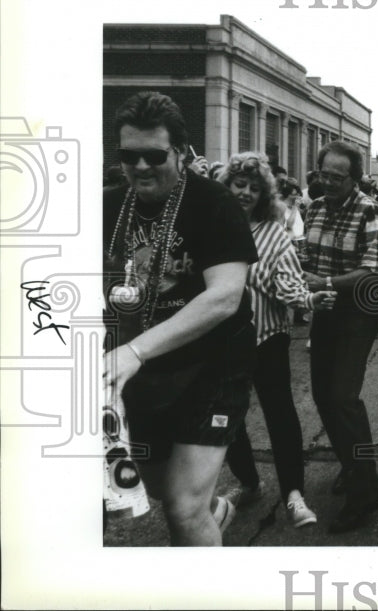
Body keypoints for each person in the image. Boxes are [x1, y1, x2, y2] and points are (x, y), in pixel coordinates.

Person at [103, 91, 258, 546]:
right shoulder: (107, 205)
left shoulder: (214, 204)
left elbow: (225, 298)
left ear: (181, 152)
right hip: (143, 371)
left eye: (154, 154)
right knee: (162, 491)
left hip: (213, 366)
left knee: (182, 511)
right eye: (129, 155)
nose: (142, 166)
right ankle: (215, 513)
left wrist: (133, 350)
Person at [217, 152, 337, 528]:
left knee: (280, 415)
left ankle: (293, 493)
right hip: (219, 343)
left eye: (254, 187)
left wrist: (308, 300)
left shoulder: (274, 234)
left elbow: (289, 285)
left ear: (265, 194)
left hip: (266, 338)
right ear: (227, 185)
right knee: (227, 419)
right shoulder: (211, 226)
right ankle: (248, 482)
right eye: (239, 184)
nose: (245, 193)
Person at [300, 140, 378, 533]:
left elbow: (372, 271)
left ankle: (366, 491)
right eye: (324, 175)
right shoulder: (315, 208)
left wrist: (325, 280)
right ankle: (350, 466)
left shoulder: (370, 211)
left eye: (338, 177)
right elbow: (306, 258)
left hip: (360, 312)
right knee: (322, 395)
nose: (329, 182)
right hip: (326, 310)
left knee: (342, 397)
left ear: (354, 178)